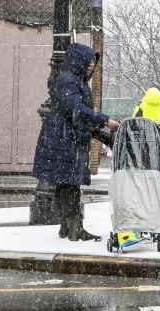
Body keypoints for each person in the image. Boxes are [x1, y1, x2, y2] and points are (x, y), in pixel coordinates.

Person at [32, 43, 119, 242]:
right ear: (78, 61)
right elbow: (76, 110)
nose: (91, 67)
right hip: (64, 141)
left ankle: (68, 227)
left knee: (68, 185)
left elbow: (78, 116)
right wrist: (105, 121)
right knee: (69, 185)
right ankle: (74, 229)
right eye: (88, 63)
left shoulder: (75, 81)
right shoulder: (69, 81)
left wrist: (102, 134)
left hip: (67, 139)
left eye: (93, 65)